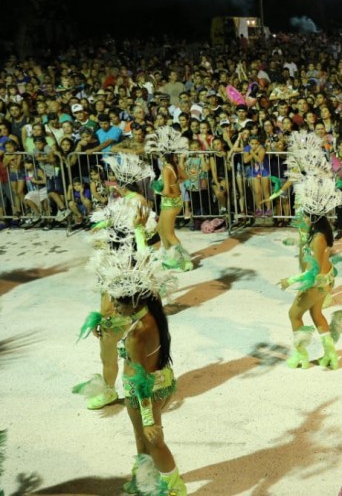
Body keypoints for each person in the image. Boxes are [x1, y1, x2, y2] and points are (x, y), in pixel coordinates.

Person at [89, 242, 184, 495]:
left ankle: (175, 488)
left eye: (118, 303)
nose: (114, 307)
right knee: (144, 441)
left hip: (143, 393)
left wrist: (149, 419)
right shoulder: (151, 311)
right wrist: (102, 323)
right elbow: (123, 319)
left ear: (133, 301)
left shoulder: (136, 336)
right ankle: (145, 482)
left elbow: (142, 379)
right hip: (163, 382)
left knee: (153, 443)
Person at [76, 152, 156, 411]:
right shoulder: (122, 203)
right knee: (112, 345)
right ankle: (114, 390)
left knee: (127, 342)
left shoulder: (137, 203)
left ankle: (137, 391)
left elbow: (144, 236)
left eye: (113, 179)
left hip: (129, 273)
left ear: (122, 181)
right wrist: (103, 227)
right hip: (117, 267)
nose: (110, 183)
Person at [278, 171, 342, 370]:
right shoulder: (316, 233)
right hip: (324, 280)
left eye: (304, 214)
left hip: (317, 283)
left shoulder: (318, 238)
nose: (301, 216)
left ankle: (301, 355)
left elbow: (312, 270)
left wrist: (289, 281)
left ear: (313, 217)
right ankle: (330, 354)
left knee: (294, 314)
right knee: (316, 314)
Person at [145, 127, 193, 271]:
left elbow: (166, 191)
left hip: (170, 203)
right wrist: (174, 184)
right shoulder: (174, 165)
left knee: (169, 234)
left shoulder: (166, 169)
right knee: (160, 229)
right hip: (174, 202)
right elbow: (185, 177)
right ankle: (169, 256)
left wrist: (157, 188)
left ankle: (184, 261)